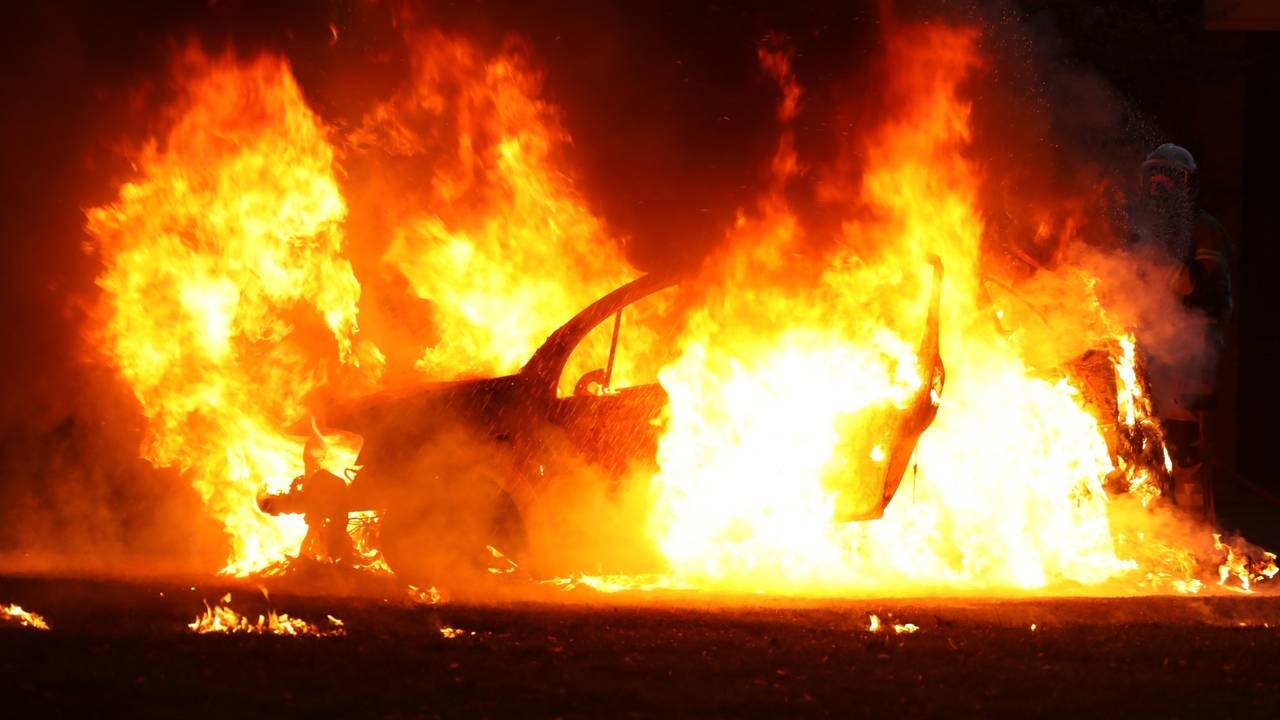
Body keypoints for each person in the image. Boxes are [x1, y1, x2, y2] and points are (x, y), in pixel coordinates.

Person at [1130, 143, 1233, 519]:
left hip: (1192, 348)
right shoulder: (1141, 232)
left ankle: (1193, 529)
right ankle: (1159, 526)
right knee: (1144, 439)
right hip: (1151, 348)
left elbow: (1206, 287)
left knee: (1185, 444)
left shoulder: (1204, 230)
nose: (1159, 185)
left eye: (1170, 177)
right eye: (1153, 176)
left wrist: (1158, 267)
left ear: (1188, 185)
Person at [290, 435, 355, 563]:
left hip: (329, 515)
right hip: (324, 513)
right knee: (314, 530)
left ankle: (314, 555)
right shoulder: (320, 477)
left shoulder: (326, 478)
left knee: (315, 530)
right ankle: (309, 556)